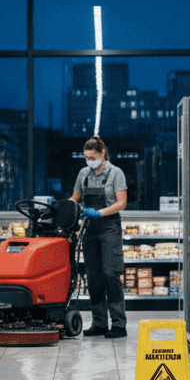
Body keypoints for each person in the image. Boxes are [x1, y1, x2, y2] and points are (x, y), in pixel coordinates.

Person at [70, 135, 128, 339]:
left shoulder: (115, 173)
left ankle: (119, 324)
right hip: (89, 229)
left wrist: (99, 213)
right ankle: (99, 323)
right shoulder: (83, 174)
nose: (89, 161)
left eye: (92, 157)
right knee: (93, 277)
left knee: (110, 274)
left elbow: (121, 203)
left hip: (109, 228)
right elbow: (75, 197)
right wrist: (66, 207)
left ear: (102, 153)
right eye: (86, 158)